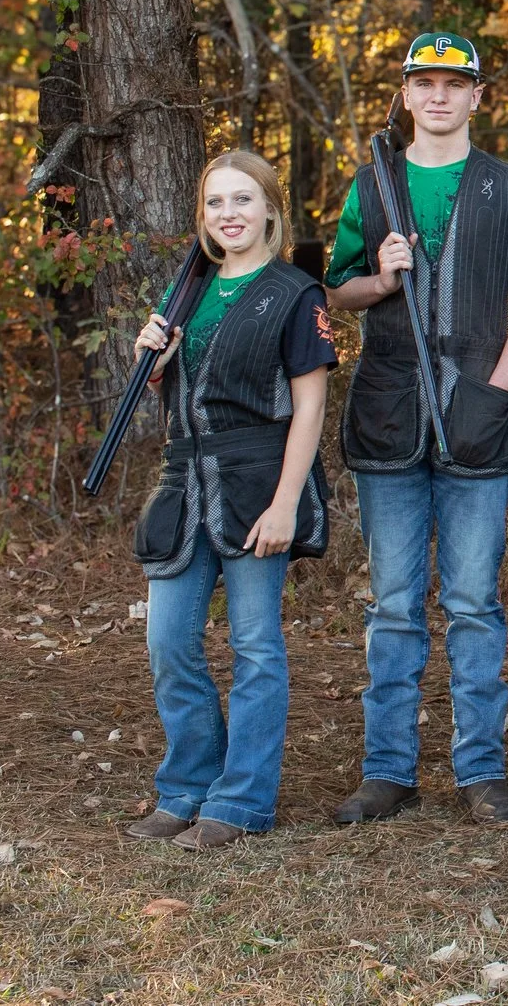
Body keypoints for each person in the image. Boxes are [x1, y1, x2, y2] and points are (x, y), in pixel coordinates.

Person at [325, 31, 508, 825]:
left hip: (477, 414)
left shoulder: (506, 186)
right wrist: (379, 277)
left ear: (478, 96)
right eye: (427, 82)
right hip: (389, 410)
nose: (441, 96)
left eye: (457, 83)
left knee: (475, 601)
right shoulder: (373, 183)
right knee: (392, 602)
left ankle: (480, 768)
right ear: (408, 92)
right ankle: (387, 769)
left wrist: (498, 392)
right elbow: (339, 291)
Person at [126, 152, 338, 849]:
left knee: (254, 645)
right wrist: (152, 359)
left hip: (256, 482)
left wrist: (284, 503)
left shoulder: (294, 291)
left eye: (243, 199)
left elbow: (310, 407)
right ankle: (187, 782)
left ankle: (242, 799)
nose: (229, 214)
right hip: (183, 484)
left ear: (270, 210)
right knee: (168, 640)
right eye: (216, 202)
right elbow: (174, 391)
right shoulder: (186, 291)